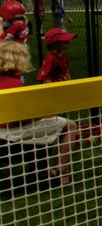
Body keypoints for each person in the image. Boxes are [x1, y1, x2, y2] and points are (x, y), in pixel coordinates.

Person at [0, 40, 79, 190]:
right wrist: (42, 115)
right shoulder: (15, 85)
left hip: (7, 130)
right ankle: (62, 172)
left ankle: (47, 169)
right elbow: (22, 118)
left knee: (49, 124)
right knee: (69, 125)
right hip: (11, 133)